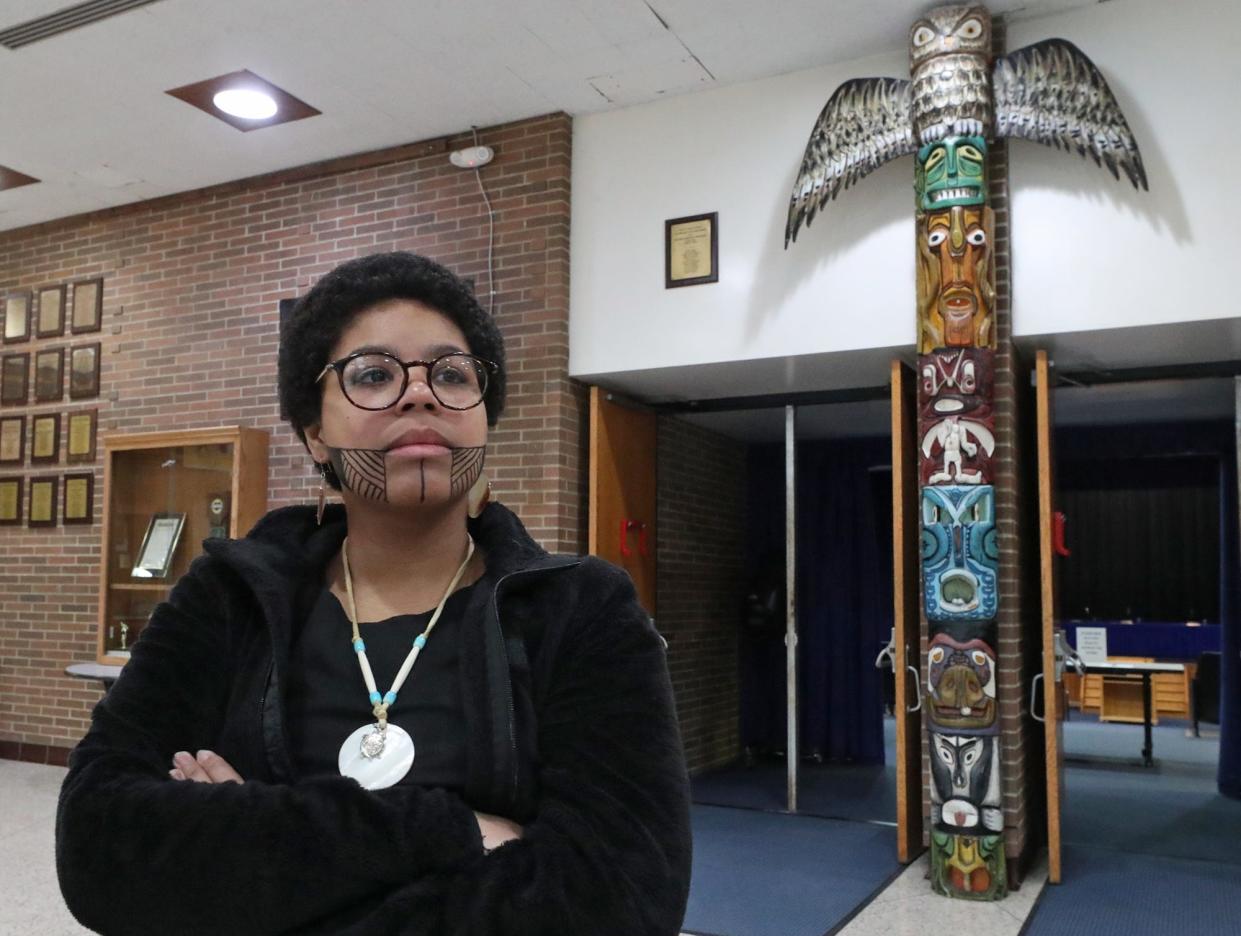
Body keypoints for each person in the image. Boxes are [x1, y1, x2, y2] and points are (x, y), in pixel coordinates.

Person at [55, 252, 692, 935]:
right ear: (315, 435)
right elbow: (99, 842)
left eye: (451, 374)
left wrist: (258, 841)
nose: (420, 394)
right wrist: (449, 832)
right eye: (373, 375)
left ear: (483, 419)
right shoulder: (229, 597)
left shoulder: (582, 609)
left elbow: (618, 899)